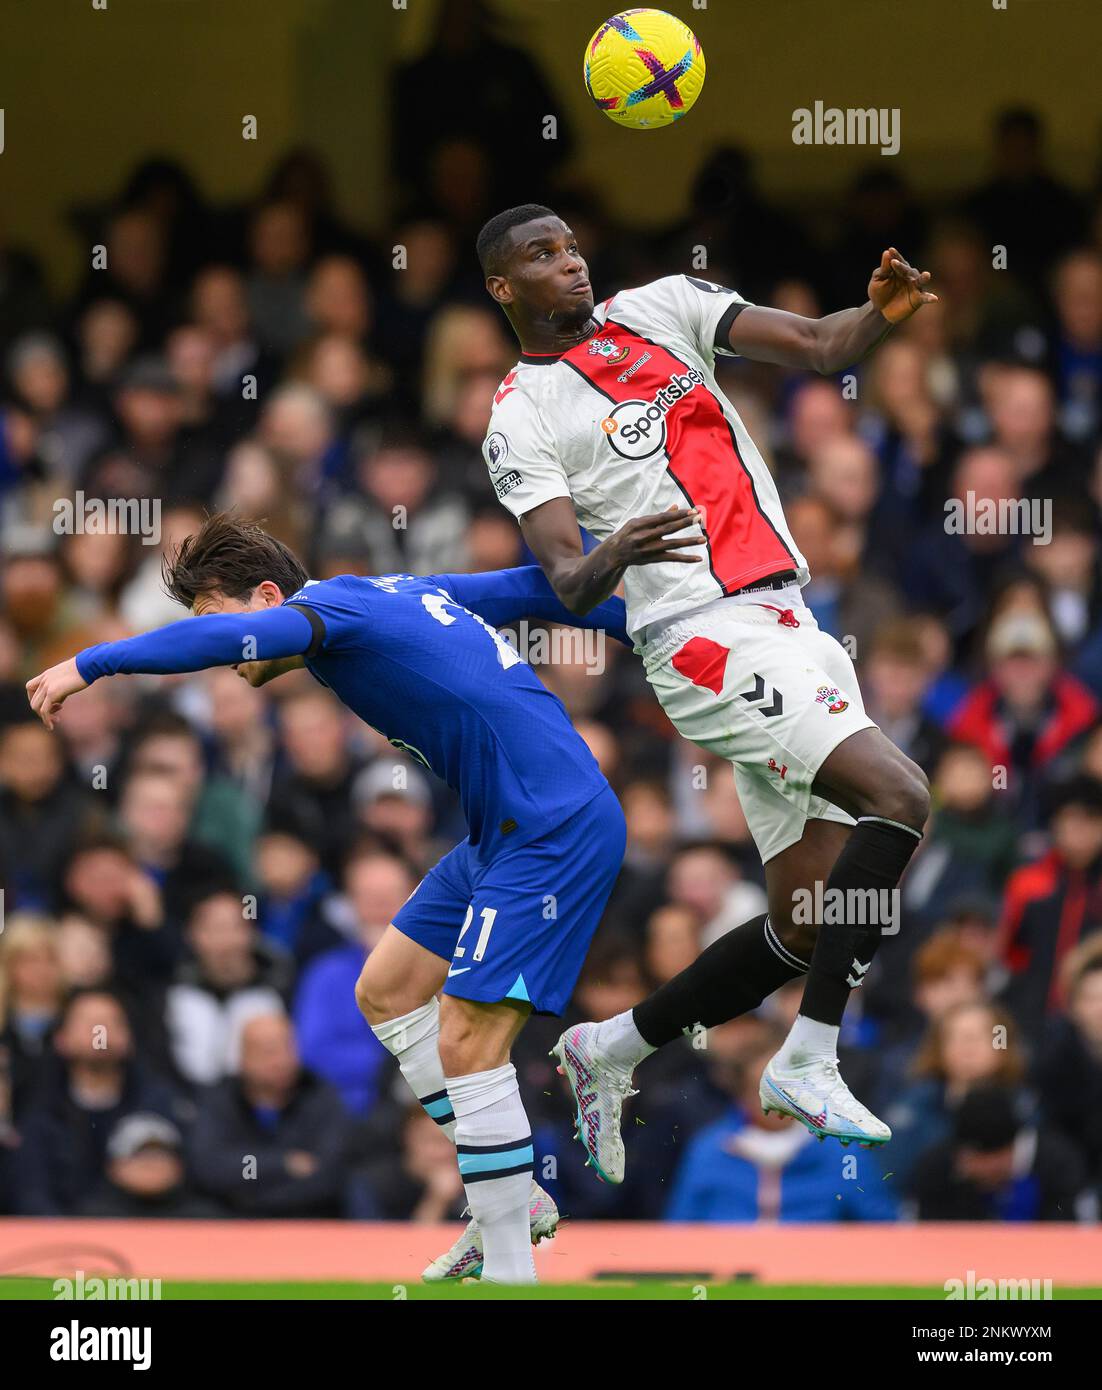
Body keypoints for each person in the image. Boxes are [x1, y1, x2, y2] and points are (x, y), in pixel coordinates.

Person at [26, 512, 629, 1285]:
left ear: (271, 596)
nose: (223, 652)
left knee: (468, 1038)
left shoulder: (333, 611)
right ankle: (504, 1190)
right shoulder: (391, 592)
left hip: (554, 826)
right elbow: (523, 587)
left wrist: (94, 662)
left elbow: (217, 642)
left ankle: (511, 1266)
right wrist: (640, 615)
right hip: (499, 833)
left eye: (217, 618)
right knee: (385, 991)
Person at [474, 203, 935, 1173]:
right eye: (540, 257)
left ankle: (611, 1046)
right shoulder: (521, 411)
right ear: (501, 287)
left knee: (808, 923)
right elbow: (564, 575)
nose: (569, 264)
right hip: (698, 638)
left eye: (569, 246)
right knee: (900, 797)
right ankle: (807, 1056)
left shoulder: (663, 304)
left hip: (792, 628)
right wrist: (618, 550)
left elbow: (816, 345)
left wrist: (878, 315)